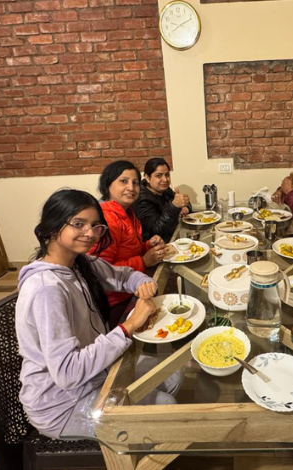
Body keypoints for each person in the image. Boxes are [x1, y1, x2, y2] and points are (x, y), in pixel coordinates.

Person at [16, 189, 177, 439]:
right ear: (52, 227)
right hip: (62, 404)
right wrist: (128, 326)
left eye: (95, 226)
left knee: (173, 374)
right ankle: (138, 448)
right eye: (78, 224)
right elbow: (68, 372)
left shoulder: (80, 263)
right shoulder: (47, 289)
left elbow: (123, 275)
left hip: (98, 372)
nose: (90, 233)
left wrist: (142, 282)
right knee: (167, 406)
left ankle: (147, 440)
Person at [90, 160, 167, 327]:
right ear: (108, 185)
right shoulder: (108, 220)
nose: (131, 188)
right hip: (115, 301)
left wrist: (147, 245)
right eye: (123, 181)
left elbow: (128, 249)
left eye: (135, 183)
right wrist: (144, 261)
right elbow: (101, 272)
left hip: (132, 288)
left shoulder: (127, 213)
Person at [133, 157, 192, 243]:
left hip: (173, 237)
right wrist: (174, 206)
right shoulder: (141, 199)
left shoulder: (165, 190)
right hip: (155, 246)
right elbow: (157, 230)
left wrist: (185, 208)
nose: (165, 179)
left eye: (167, 175)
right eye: (159, 175)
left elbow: (183, 201)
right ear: (147, 178)